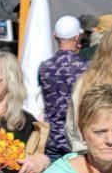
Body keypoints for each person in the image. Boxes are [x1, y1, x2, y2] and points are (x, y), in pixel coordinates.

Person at [36, 16, 86, 160]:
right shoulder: (86, 67)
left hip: (50, 140)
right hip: (77, 140)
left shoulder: (44, 67)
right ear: (77, 37)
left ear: (54, 36)